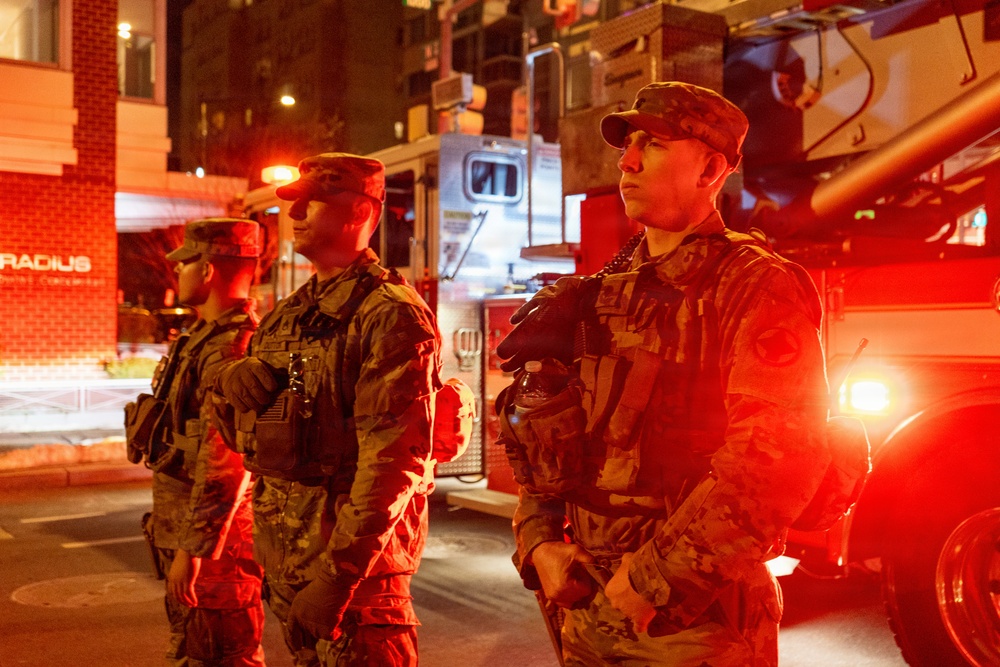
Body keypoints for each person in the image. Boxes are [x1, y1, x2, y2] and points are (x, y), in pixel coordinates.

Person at [498, 81, 832, 666]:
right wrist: (540, 541)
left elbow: (777, 460)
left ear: (709, 168)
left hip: (692, 623)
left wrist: (650, 583)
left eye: (651, 144)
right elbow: (536, 435)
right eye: (627, 144)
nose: (626, 161)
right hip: (584, 607)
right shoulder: (596, 293)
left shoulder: (753, 285)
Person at [213, 153, 441, 667]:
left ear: (359, 213)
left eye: (312, 202)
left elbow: (394, 464)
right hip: (289, 567)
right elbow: (251, 439)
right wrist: (227, 382)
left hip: (356, 593)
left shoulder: (390, 313)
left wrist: (336, 579)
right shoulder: (291, 314)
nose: (294, 216)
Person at [130, 217, 265, 666]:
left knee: (222, 657)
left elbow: (226, 459)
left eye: (185, 264)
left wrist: (195, 549)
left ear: (207, 270)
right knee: (194, 653)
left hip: (216, 554)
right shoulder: (202, 340)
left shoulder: (232, 346)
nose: (178, 273)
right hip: (193, 539)